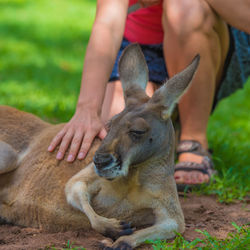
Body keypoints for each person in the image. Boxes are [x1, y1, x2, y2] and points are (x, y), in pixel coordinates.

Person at [47, 0, 250, 189]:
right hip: (140, 49)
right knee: (118, 136)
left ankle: (193, 139)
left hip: (205, 42)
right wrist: (87, 109)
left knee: (183, 5)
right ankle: (167, 124)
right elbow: (107, 25)